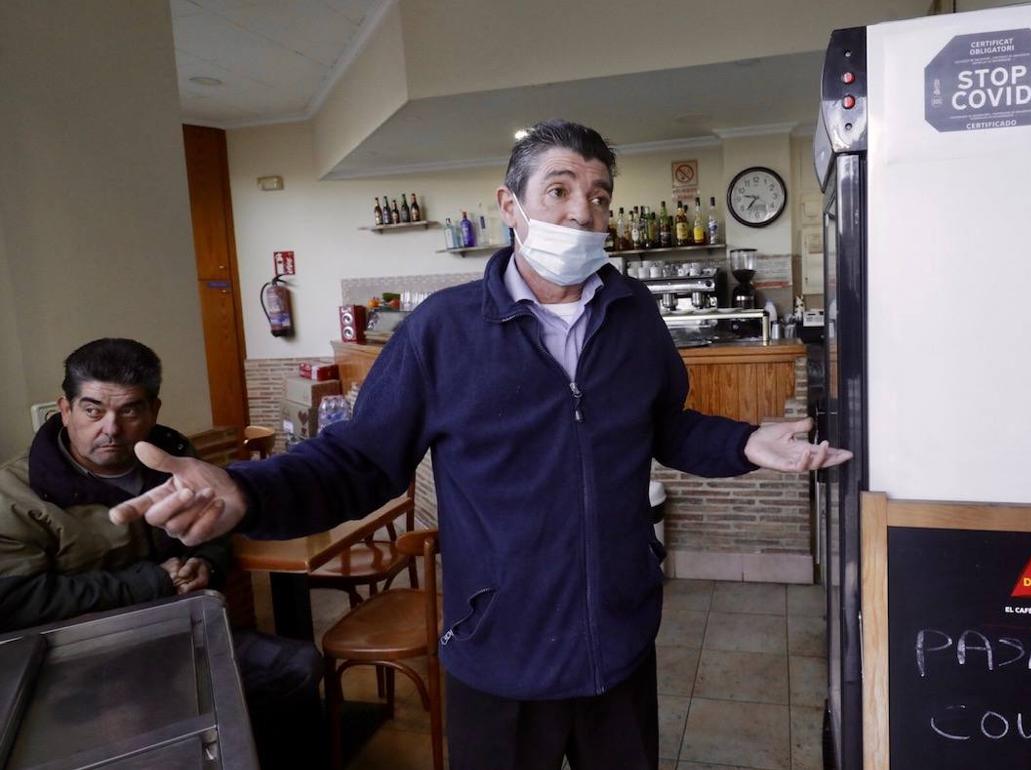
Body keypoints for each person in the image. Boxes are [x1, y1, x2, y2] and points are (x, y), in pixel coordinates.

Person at [110, 119, 852, 770]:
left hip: (617, 639)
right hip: (499, 647)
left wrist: (750, 442)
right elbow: (361, 458)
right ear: (510, 206)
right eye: (558, 191)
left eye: (597, 195)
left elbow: (663, 424)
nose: (581, 211)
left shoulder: (632, 316)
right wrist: (248, 491)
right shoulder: (444, 330)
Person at [0, 338, 324, 769]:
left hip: (180, 633)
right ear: (65, 408)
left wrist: (205, 563)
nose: (110, 428)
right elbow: (14, 600)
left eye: (129, 410)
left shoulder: (172, 458)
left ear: (153, 411)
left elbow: (211, 528)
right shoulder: (15, 495)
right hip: (78, 663)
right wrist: (155, 581)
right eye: (93, 410)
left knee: (297, 665)